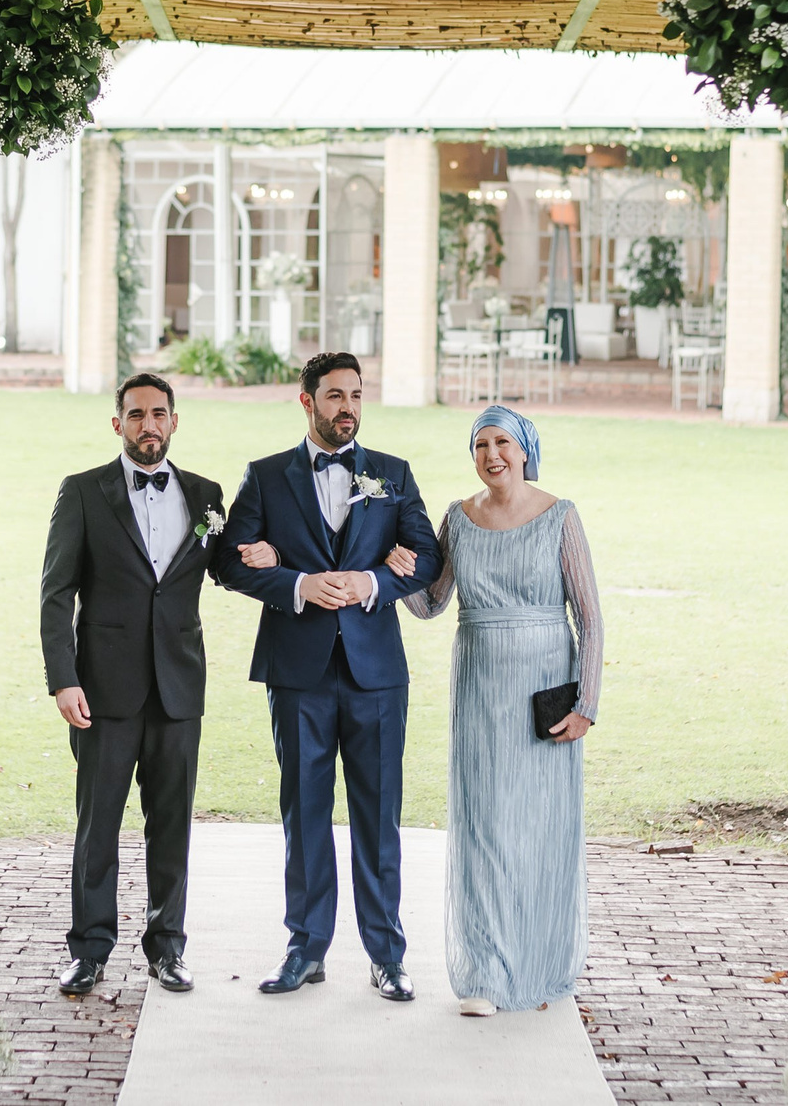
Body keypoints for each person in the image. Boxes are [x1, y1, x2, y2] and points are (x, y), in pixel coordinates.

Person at [213, 351, 438, 1003]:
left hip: (376, 675)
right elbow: (228, 561)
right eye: (335, 395)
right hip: (298, 672)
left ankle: (387, 955)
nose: (348, 407)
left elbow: (425, 554)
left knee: (378, 817)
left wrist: (372, 579)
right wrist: (298, 582)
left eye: (356, 395)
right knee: (305, 815)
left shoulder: (390, 474)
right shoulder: (265, 477)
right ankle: (304, 948)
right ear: (306, 400)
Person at [392, 404, 602, 1018]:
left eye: (502, 442)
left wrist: (587, 702)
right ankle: (483, 970)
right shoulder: (457, 520)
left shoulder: (561, 516)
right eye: (481, 445)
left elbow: (588, 615)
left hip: (546, 691)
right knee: (484, 826)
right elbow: (433, 604)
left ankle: (537, 962)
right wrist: (401, 572)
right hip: (480, 688)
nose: (492, 455)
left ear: (525, 449)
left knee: (538, 829)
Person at [39, 372, 226, 999]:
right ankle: (89, 951)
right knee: (98, 827)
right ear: (118, 423)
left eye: (160, 414)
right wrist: (63, 680)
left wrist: (285, 570)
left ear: (175, 422)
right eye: (137, 414)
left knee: (171, 825)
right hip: (103, 692)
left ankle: (167, 948)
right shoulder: (84, 492)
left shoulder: (207, 496)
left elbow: (229, 566)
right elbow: (56, 592)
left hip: (178, 691)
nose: (149, 425)